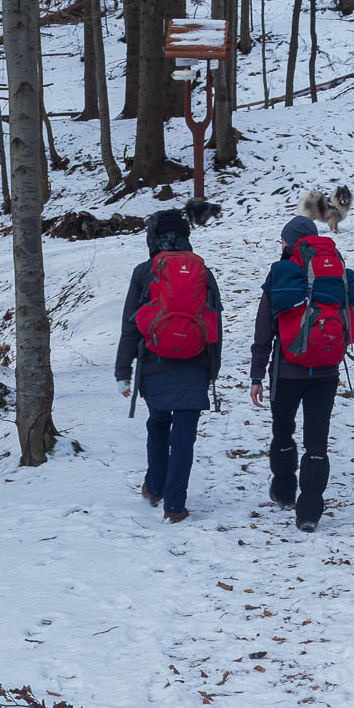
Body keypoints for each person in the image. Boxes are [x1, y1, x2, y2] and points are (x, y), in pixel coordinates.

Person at [249, 209, 354, 532]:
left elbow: (264, 330)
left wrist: (257, 375)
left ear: (289, 244)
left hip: (286, 372)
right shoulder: (335, 271)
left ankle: (284, 491)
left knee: (283, 431)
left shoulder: (280, 274)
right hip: (326, 371)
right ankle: (309, 512)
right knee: (316, 442)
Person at [115, 204, 223, 524]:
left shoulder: (144, 272)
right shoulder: (204, 271)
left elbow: (130, 325)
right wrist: (211, 369)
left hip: (155, 361)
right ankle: (174, 506)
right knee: (184, 437)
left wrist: (123, 370)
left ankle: (154, 486)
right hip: (195, 363)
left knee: (159, 425)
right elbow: (215, 324)